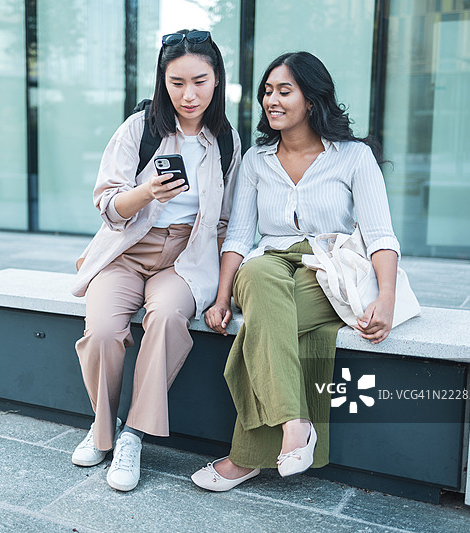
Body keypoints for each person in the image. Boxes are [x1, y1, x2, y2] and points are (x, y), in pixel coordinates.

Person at [191, 51, 400, 491]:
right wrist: (223, 297)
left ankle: (245, 458)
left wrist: (386, 299)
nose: (272, 100)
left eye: (284, 91)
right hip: (269, 261)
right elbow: (238, 237)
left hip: (327, 267)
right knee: (258, 278)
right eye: (267, 91)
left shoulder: (354, 157)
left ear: (312, 99)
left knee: (265, 329)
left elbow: (380, 234)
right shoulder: (257, 160)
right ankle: (296, 424)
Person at [70, 29, 241, 492]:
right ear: (162, 81)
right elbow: (107, 204)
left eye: (200, 81)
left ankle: (133, 435)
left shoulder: (226, 141)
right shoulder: (138, 129)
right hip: (127, 252)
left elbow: (225, 221)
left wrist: (221, 291)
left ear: (217, 79)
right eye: (176, 82)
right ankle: (102, 429)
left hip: (187, 257)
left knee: (166, 318)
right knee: (102, 331)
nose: (189, 95)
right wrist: (147, 192)